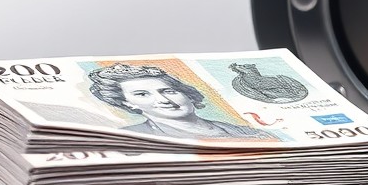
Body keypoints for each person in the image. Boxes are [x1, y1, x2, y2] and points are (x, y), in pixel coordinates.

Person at [87, 63, 278, 141]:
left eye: (169, 91)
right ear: (128, 104)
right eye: (142, 94)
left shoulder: (245, 131)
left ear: (186, 93)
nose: (163, 100)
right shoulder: (130, 138)